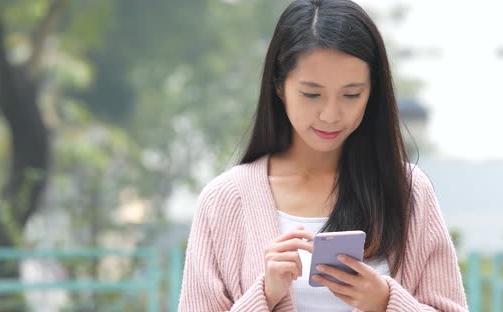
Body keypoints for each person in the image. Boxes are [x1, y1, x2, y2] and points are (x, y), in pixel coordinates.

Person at [178, 0, 468, 311]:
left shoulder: (408, 190)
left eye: (351, 94)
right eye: (312, 94)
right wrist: (265, 295)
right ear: (279, 85)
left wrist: (385, 302)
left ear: (373, 92)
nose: (330, 115)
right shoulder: (224, 201)